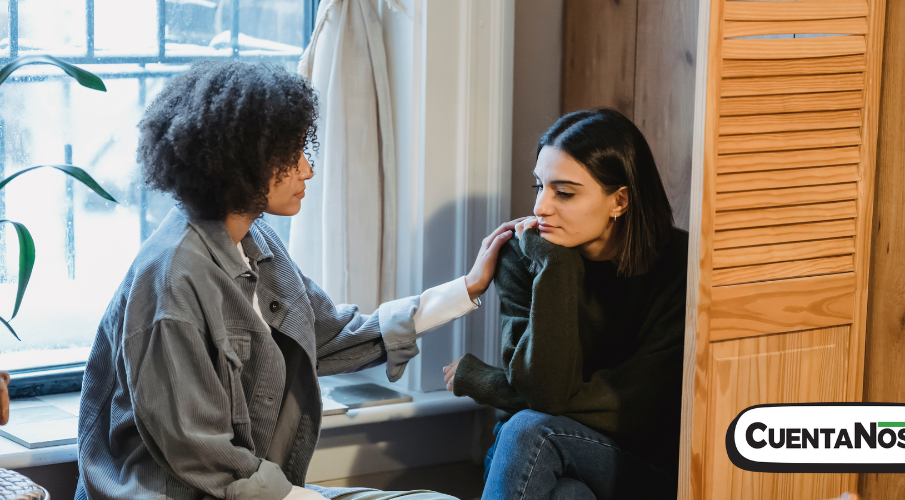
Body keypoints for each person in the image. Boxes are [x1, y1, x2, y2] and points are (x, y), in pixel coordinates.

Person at [75, 60, 517, 500]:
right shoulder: (172, 279)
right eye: (290, 157)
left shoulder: (256, 238)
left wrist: (466, 290)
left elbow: (330, 336)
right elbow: (199, 451)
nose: (307, 169)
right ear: (238, 162)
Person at [443, 109, 688, 499]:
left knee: (529, 429)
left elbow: (632, 408)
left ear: (620, 200)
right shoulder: (523, 257)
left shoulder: (682, 266)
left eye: (564, 192)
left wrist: (491, 384)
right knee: (567, 493)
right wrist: (556, 267)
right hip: (528, 452)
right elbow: (544, 391)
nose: (541, 207)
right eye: (539, 186)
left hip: (635, 463)